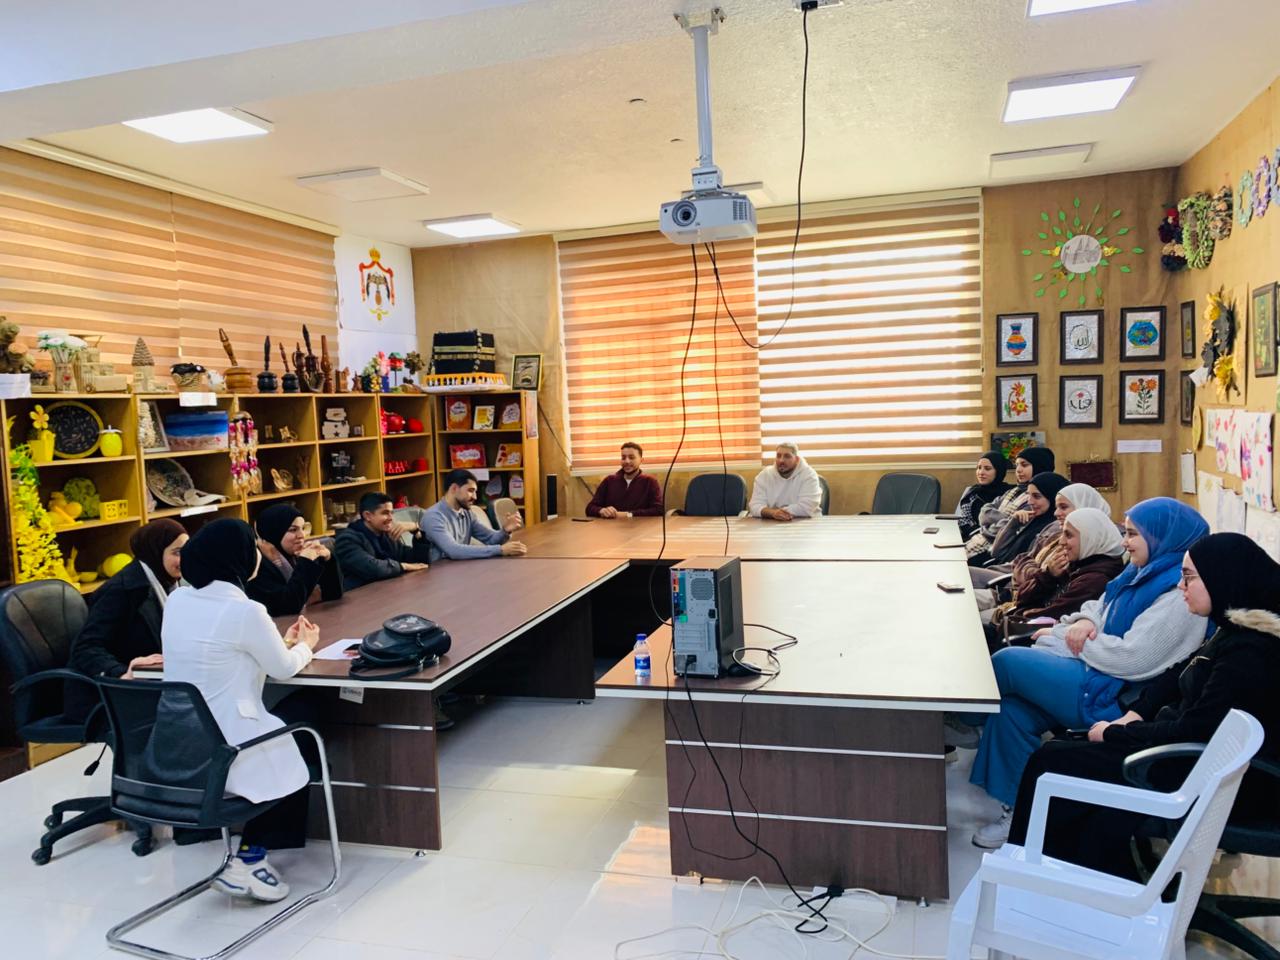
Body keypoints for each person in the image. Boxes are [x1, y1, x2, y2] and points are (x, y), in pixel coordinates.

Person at [1006, 533, 1280, 880]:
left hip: (1223, 779)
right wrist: (1138, 712)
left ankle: (1044, 878)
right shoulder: (1234, 628)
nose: (1181, 586)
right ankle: (1061, 874)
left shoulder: (1250, 652)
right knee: (1063, 754)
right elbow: (1179, 673)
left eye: (1189, 577)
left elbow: (1196, 730)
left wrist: (1118, 733)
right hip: (1193, 759)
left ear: (1222, 577)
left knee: (1052, 761)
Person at [966, 497, 1210, 848]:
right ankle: (1020, 814)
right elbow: (1097, 606)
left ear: (1161, 537)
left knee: (1007, 661)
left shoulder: (1177, 593)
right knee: (1012, 712)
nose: (1125, 541)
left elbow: (1132, 658)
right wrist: (1082, 622)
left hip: (1116, 697)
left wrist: (1065, 636)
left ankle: (958, 719)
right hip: (1095, 672)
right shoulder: (1139, 572)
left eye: (1133, 534)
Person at [159, 518, 321, 901]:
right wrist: (306, 645)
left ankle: (251, 851)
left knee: (289, 721)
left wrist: (278, 642)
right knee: (304, 724)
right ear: (237, 557)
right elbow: (282, 668)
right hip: (229, 744)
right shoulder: (246, 610)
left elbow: (218, 650)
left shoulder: (177, 600)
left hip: (180, 742)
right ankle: (250, 857)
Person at [66, 518, 188, 722]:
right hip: (111, 693)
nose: (184, 559)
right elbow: (85, 648)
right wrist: (120, 673)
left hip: (152, 681)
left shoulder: (170, 583)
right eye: (176, 553)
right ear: (155, 552)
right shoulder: (121, 591)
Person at [985, 507, 1126, 647]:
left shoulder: (1094, 581)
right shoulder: (1078, 564)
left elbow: (1047, 616)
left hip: (1032, 640)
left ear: (1090, 539)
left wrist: (1022, 611)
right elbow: (1022, 597)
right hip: (1016, 624)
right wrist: (1048, 575)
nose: (1061, 541)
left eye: (1068, 535)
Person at [244, 504, 343, 616]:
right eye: (293, 530)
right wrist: (305, 562)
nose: (301, 535)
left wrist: (328, 559)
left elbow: (333, 593)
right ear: (274, 532)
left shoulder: (295, 556)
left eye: (303, 528)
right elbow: (290, 606)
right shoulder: (257, 566)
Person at [964, 446, 1055, 562]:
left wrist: (989, 527)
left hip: (992, 552)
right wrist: (1008, 519)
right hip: (980, 541)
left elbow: (1006, 528)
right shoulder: (1013, 491)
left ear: (1039, 466)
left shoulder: (1036, 500)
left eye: (1024, 465)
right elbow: (984, 512)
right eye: (1017, 465)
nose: (1018, 470)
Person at [334, 491, 432, 590]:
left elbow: (419, 561)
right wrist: (403, 566)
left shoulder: (386, 534)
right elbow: (372, 568)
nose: (391, 518)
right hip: (361, 595)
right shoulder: (347, 540)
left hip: (388, 590)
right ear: (367, 516)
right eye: (385, 513)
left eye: (391, 513)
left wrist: (416, 531)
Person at [421, 469, 527, 560]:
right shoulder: (433, 516)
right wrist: (500, 550)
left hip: (459, 570)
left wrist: (505, 530)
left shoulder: (467, 513)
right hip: (437, 574)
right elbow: (453, 550)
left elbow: (490, 539)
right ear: (454, 488)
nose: (475, 497)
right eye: (470, 491)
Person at [983, 471, 1069, 568]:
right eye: (1028, 495)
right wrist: (1013, 524)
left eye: (1036, 496)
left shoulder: (1056, 528)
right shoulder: (1031, 518)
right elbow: (997, 553)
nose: (1029, 502)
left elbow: (1031, 565)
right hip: (1002, 570)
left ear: (1052, 497)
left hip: (1012, 574)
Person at [585, 442, 664, 518]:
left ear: (641, 460)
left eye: (631, 457)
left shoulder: (650, 482)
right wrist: (601, 510)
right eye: (623, 457)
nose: (627, 461)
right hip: (611, 526)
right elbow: (590, 508)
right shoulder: (609, 481)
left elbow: (659, 510)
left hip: (640, 526)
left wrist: (629, 514)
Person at [747, 442, 822, 521]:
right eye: (778, 456)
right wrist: (773, 513)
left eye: (787, 456)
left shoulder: (809, 475)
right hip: (771, 522)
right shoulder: (764, 475)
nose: (781, 460)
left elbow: (806, 508)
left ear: (797, 459)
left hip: (805, 522)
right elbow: (754, 506)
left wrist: (775, 512)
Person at [955, 451, 1012, 541]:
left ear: (999, 471)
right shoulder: (972, 493)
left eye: (987, 468)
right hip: (973, 539)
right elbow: (964, 521)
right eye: (979, 468)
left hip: (1002, 539)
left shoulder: (1009, 493)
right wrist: (980, 536)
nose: (981, 472)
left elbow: (1008, 522)